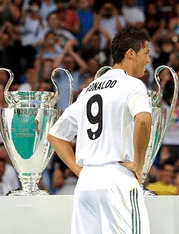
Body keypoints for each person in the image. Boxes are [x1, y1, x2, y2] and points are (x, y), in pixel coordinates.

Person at [48, 26, 153, 234]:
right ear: (131, 54)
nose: (148, 60)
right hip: (117, 178)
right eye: (146, 53)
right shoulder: (133, 85)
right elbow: (143, 120)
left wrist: (79, 171)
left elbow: (55, 135)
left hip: (86, 183)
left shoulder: (89, 89)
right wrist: (139, 166)